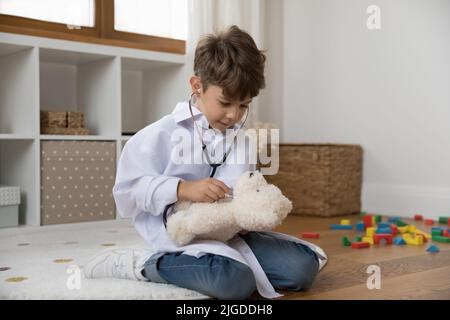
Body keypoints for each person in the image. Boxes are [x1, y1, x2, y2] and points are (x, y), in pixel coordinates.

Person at [84, 25, 327, 300]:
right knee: (232, 282)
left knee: (302, 269)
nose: (234, 115)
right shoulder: (157, 135)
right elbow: (126, 193)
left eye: (244, 105)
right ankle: (141, 265)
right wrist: (181, 189)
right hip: (179, 235)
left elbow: (242, 188)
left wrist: (249, 211)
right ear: (196, 86)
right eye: (225, 102)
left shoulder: (242, 140)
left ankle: (233, 264)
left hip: (229, 232)